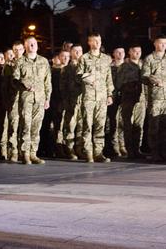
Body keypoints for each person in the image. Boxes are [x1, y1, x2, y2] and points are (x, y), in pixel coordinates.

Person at [13, 36, 52, 164]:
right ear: (25, 46)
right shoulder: (20, 62)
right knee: (26, 125)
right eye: (29, 44)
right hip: (26, 98)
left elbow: (48, 82)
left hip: (40, 99)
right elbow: (14, 80)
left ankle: (33, 153)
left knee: (36, 127)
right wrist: (23, 84)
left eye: (34, 44)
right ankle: (24, 153)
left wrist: (47, 98)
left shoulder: (44, 61)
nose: (32, 46)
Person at [77, 33, 114, 163]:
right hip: (88, 97)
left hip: (102, 97)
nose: (97, 43)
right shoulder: (84, 58)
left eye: (99, 40)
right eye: (94, 41)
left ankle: (98, 152)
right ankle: (88, 152)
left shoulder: (106, 59)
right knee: (87, 125)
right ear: (89, 42)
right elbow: (78, 75)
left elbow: (108, 78)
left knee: (100, 125)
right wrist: (86, 78)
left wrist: (110, 94)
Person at [117, 45, 145, 158]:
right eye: (135, 51)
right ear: (129, 52)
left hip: (141, 99)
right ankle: (130, 151)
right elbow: (118, 83)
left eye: (139, 51)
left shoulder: (144, 64)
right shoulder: (124, 66)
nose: (137, 53)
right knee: (128, 125)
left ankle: (137, 149)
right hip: (128, 98)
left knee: (139, 125)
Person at [141, 35, 166, 162]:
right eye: (160, 43)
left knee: (164, 127)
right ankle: (155, 152)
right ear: (155, 44)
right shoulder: (149, 59)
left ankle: (164, 151)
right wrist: (154, 79)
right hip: (156, 98)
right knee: (154, 127)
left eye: (164, 44)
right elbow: (144, 76)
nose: (162, 46)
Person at [60, 44, 84, 160]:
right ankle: (70, 149)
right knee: (70, 126)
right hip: (71, 101)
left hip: (83, 101)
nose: (78, 53)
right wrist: (65, 101)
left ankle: (79, 149)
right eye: (75, 51)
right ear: (71, 53)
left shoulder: (85, 67)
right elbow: (62, 87)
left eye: (80, 51)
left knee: (81, 126)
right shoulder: (67, 69)